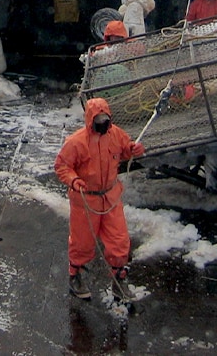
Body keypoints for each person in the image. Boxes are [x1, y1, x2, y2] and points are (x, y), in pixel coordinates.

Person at [54, 97, 145, 301]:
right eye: (99, 119)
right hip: (86, 200)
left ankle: (119, 280)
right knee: (82, 243)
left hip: (110, 198)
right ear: (90, 119)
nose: (103, 123)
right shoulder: (76, 142)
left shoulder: (116, 134)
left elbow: (125, 150)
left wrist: (133, 150)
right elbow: (62, 166)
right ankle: (75, 276)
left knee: (119, 241)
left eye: (106, 119)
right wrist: (74, 180)